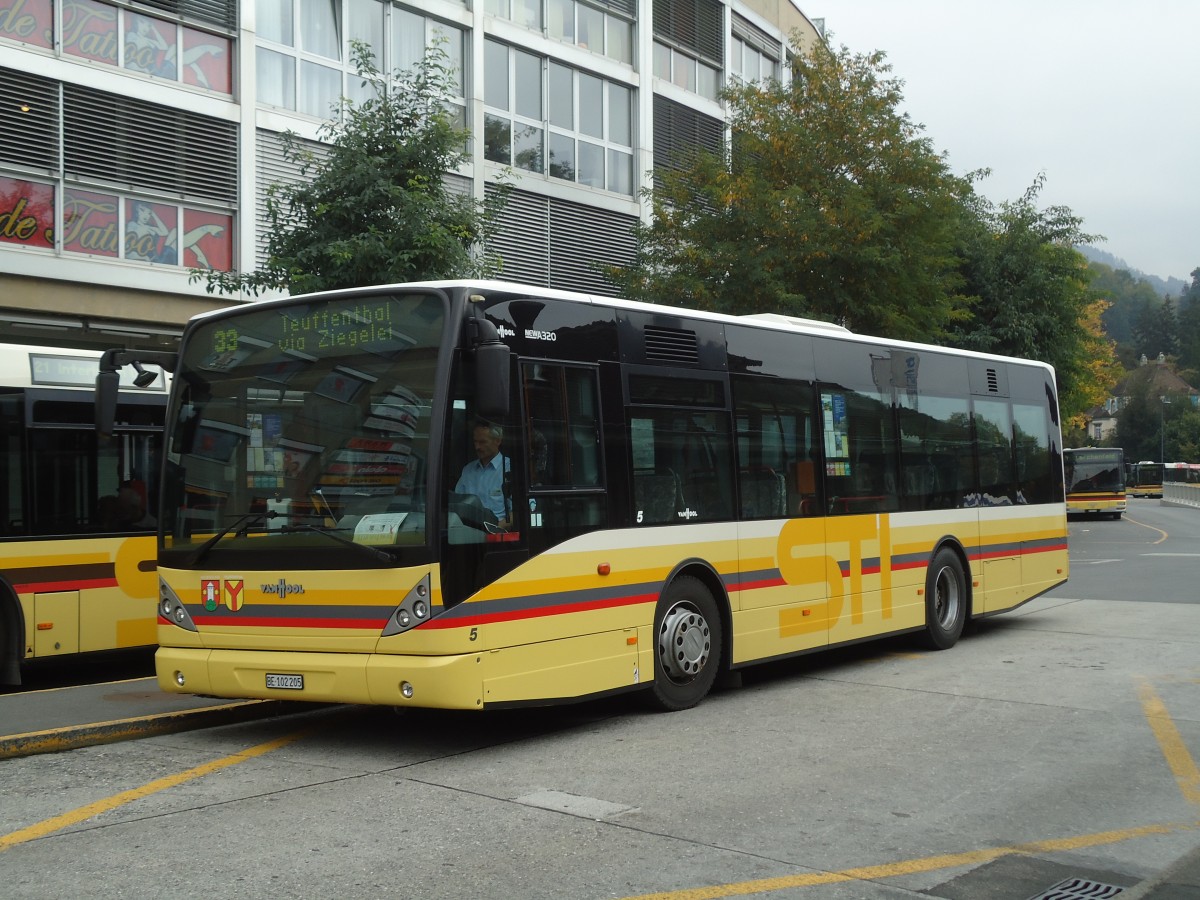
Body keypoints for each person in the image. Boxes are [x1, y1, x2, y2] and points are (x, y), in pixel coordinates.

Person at [455, 421, 510, 527]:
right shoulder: (468, 470)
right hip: (467, 529)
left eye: (482, 442)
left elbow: (516, 513)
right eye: (475, 442)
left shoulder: (508, 468)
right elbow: (457, 503)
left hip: (498, 530)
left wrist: (496, 529)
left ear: (497, 441)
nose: (477, 447)